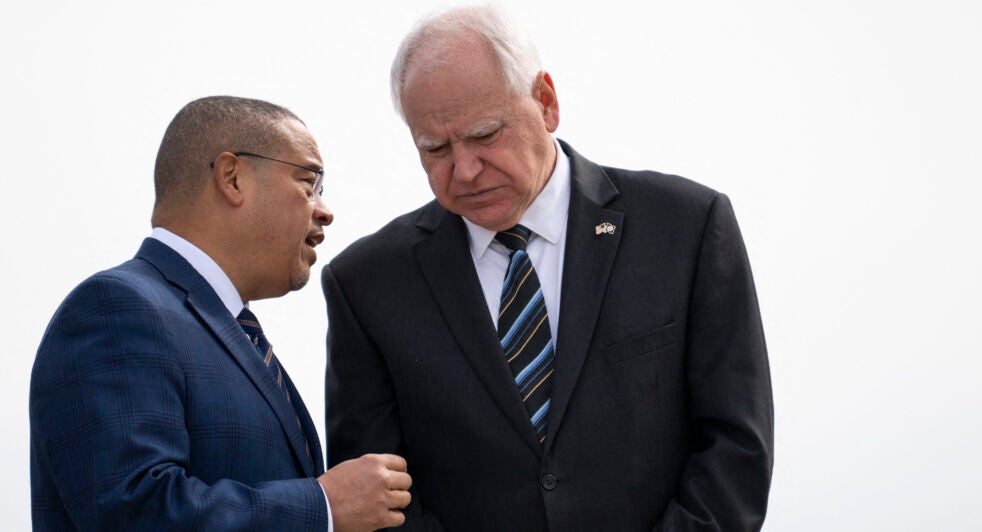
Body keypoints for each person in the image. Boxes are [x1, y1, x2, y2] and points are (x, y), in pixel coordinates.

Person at [322, 6, 773, 531]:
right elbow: (378, 498)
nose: (464, 170)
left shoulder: (686, 227)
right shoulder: (367, 283)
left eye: (486, 134)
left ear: (546, 103)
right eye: (436, 148)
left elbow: (735, 448)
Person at [29, 96, 412, 531]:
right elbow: (135, 512)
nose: (325, 210)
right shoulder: (116, 309)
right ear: (231, 178)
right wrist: (323, 507)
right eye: (309, 183)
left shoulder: (227, 332)